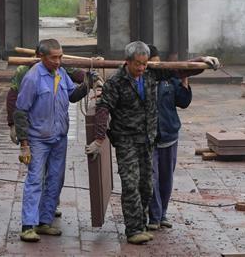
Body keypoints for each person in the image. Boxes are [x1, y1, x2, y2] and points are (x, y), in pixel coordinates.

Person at [88, 41, 218, 245]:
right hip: (126, 141)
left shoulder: (151, 74)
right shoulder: (116, 82)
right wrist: (98, 138)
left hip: (147, 141)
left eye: (144, 64)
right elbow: (104, 108)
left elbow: (178, 70)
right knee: (130, 185)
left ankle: (140, 224)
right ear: (128, 61)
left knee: (146, 186)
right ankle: (133, 230)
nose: (141, 68)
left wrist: (201, 62)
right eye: (137, 64)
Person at [13, 39, 97, 242]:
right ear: (42, 57)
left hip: (59, 137)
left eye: (60, 57)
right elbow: (21, 110)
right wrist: (24, 143)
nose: (58, 61)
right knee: (34, 179)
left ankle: (45, 221)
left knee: (56, 179)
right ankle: (28, 226)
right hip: (38, 138)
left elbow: (72, 96)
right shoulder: (33, 78)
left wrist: (87, 84)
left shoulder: (60, 74)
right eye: (54, 58)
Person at [145, 46, 191, 232]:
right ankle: (154, 217)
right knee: (151, 178)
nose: (155, 66)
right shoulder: (141, 80)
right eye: (151, 63)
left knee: (166, 178)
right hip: (149, 138)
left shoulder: (169, 79)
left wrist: (184, 78)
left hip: (169, 135)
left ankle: (162, 214)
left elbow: (183, 101)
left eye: (157, 62)